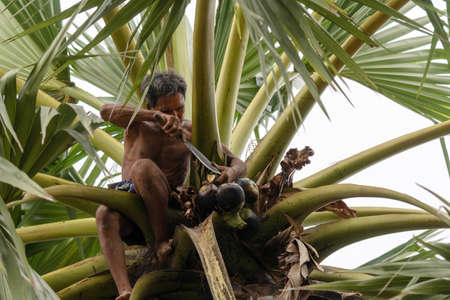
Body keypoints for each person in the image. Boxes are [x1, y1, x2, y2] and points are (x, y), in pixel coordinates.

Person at [96, 70, 246, 300]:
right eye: (166, 110)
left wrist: (232, 172)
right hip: (133, 205)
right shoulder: (137, 125)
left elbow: (237, 162)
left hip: (169, 210)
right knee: (104, 214)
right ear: (150, 106)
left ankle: (160, 242)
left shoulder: (190, 131)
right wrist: (154, 117)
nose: (174, 116)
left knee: (143, 168)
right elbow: (105, 111)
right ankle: (124, 290)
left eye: (179, 108)